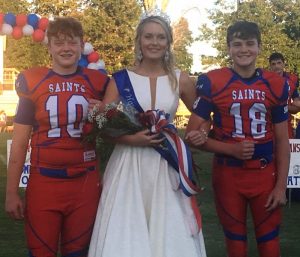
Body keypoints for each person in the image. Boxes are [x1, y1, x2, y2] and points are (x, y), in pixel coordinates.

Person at [88, 13, 207, 257]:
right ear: (139, 41)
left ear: (168, 42)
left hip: (166, 165)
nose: (154, 42)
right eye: (149, 36)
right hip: (128, 164)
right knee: (126, 226)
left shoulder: (181, 79)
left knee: (169, 227)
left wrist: (201, 132)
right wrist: (131, 139)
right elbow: (103, 126)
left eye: (161, 37)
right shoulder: (120, 79)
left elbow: (203, 115)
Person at [5, 17, 109, 257]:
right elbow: (20, 143)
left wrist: (105, 111)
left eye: (72, 43)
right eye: (59, 42)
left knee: (78, 252)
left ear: (81, 46)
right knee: (42, 251)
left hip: (85, 181)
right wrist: (11, 193)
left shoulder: (99, 83)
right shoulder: (34, 80)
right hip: (44, 181)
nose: (66, 48)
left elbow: (115, 133)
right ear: (49, 46)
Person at [186, 21, 290, 257]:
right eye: (238, 44)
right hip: (228, 174)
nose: (244, 49)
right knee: (235, 243)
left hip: (265, 174)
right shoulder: (213, 81)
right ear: (229, 48)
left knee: (270, 241)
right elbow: (193, 135)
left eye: (250, 44)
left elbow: (283, 141)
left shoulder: (275, 84)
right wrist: (230, 149)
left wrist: (281, 186)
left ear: (259, 47)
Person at [269, 52, 300, 138]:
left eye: (279, 63)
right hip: (268, 123)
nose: (277, 66)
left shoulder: (291, 79)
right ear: (270, 66)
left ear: (283, 64)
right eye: (273, 64)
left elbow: (296, 105)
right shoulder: (265, 80)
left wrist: (285, 107)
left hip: (286, 122)